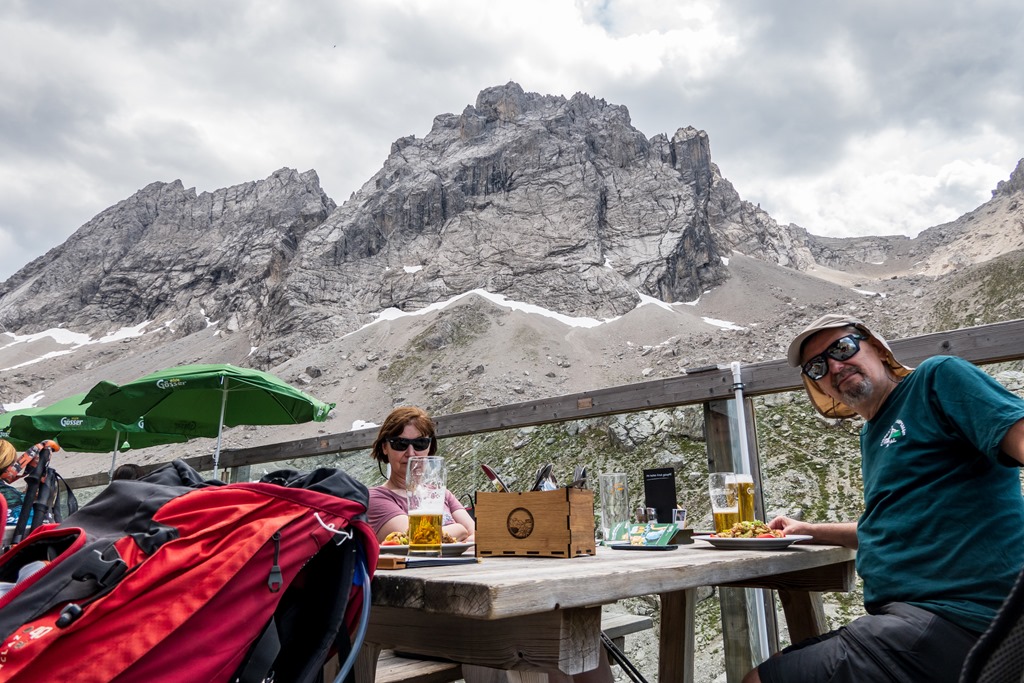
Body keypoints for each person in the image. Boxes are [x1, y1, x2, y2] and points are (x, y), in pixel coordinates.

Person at [744, 314, 1024, 683]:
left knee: (758, 681)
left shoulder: (937, 378)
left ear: (877, 348)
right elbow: (887, 526)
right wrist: (807, 529)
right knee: (778, 664)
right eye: (817, 367)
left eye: (842, 348)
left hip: (962, 622)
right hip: (908, 621)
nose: (834, 367)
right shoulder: (874, 433)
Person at [367, 406, 475, 543]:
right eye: (400, 444)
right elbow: (416, 539)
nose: (411, 453)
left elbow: (479, 536)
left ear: (429, 447)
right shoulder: (375, 498)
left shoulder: (442, 494)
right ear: (384, 447)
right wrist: (460, 530)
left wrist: (447, 537)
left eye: (420, 443)